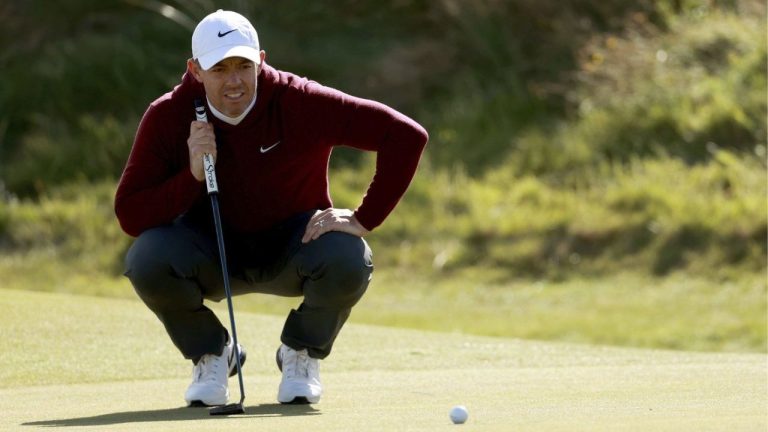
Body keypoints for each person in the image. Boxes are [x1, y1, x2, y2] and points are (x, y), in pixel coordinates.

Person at [114, 9, 428, 407]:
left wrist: (365, 218)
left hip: (294, 245)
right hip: (210, 252)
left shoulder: (300, 100)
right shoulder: (168, 115)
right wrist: (190, 175)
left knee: (350, 257)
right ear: (195, 70)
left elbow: (405, 136)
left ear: (261, 61)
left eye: (244, 65)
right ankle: (213, 354)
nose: (234, 81)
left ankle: (301, 352)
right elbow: (130, 214)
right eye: (219, 68)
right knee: (147, 258)